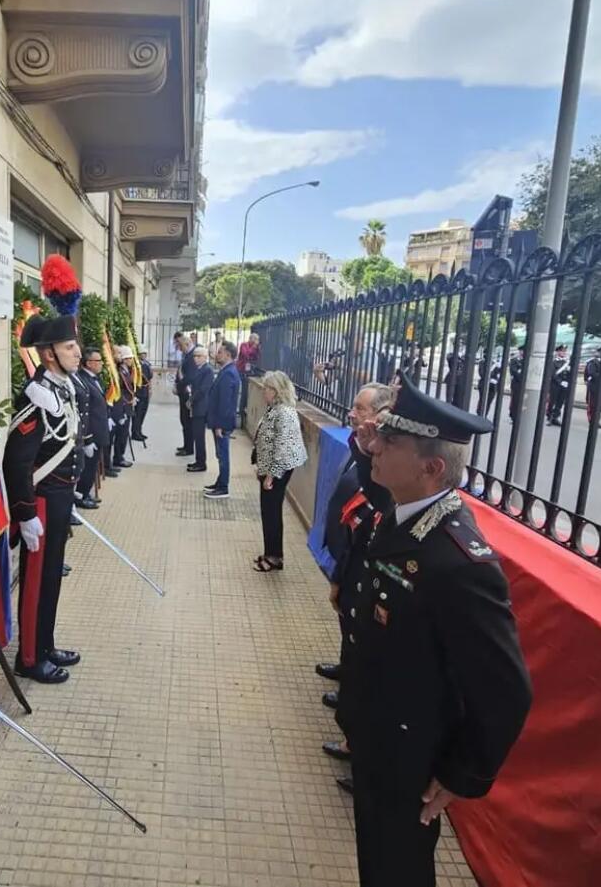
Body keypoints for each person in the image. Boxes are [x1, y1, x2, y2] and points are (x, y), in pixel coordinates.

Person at [345, 375, 532, 887]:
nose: (376, 446)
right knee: (377, 860)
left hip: (410, 756)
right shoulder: (402, 514)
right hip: (376, 735)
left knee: (398, 869)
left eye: (392, 442)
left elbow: (507, 689)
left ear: (431, 467)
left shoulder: (457, 560)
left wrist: (459, 774)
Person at [316, 383, 395, 789]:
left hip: (366, 589)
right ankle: (351, 726)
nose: (351, 414)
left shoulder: (401, 504)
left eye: (360, 410)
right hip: (354, 581)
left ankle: (359, 750)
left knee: (367, 672)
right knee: (353, 650)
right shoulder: (363, 450)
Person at [2, 314, 83, 685]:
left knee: (51, 578)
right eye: (70, 347)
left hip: (60, 497)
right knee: (36, 582)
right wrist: (25, 513)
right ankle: (30, 657)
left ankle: (45, 644)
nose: (78, 352)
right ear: (49, 354)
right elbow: (16, 460)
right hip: (43, 504)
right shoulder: (36, 396)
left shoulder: (62, 387)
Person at [251, 371, 309, 571]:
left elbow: (282, 448)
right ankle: (271, 552)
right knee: (269, 511)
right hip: (271, 467)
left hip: (279, 469)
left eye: (266, 388)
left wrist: (271, 474)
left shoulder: (284, 412)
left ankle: (274, 557)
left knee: (272, 512)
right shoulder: (275, 408)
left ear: (275, 391)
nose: (263, 392)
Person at [205, 340, 241, 499]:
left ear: (227, 354)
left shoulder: (229, 373)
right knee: (220, 455)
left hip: (222, 423)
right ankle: (220, 482)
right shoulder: (226, 370)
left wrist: (219, 424)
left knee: (223, 455)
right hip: (219, 422)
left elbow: (225, 402)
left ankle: (223, 487)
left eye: (220, 352)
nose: (216, 354)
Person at [76, 347, 111, 506]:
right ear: (89, 363)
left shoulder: (95, 379)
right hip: (91, 433)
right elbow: (85, 411)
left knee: (92, 466)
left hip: (99, 430)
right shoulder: (82, 380)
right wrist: (87, 438)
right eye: (98, 361)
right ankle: (81, 496)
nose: (101, 364)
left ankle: (86, 494)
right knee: (87, 468)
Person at [187, 345, 214, 473]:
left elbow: (203, 389)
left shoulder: (207, 370)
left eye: (199, 356)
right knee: (197, 435)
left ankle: (201, 463)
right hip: (197, 406)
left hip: (201, 407)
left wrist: (192, 400)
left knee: (199, 436)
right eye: (194, 356)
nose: (196, 358)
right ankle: (198, 461)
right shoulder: (199, 369)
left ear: (205, 357)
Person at [110, 346, 137, 468]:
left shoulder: (126, 369)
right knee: (121, 434)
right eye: (129, 358)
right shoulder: (120, 371)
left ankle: (120, 456)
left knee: (124, 434)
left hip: (127, 404)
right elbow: (121, 391)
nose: (131, 360)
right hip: (122, 406)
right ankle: (118, 458)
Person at [174, 331, 200, 458]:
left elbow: (189, 377)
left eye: (180, 345)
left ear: (187, 343)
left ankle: (189, 448)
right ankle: (186, 445)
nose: (179, 348)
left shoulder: (191, 356)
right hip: (182, 392)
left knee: (187, 421)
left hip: (187, 393)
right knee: (183, 420)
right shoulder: (187, 355)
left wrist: (179, 385)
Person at [237, 332, 261, 427]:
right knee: (242, 393)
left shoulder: (256, 348)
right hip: (241, 370)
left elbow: (257, 357)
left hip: (249, 371)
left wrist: (257, 349)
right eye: (255, 340)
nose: (256, 342)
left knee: (246, 394)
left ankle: (243, 414)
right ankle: (240, 413)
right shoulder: (244, 345)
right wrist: (253, 348)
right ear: (251, 339)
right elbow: (245, 354)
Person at [546, 345, 571, 426]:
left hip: (564, 386)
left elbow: (569, 374)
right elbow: (553, 374)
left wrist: (567, 381)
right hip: (555, 385)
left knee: (560, 402)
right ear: (557, 352)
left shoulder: (566, 362)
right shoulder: (553, 362)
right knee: (552, 402)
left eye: (564, 351)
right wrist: (560, 382)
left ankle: (555, 417)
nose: (563, 352)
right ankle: (549, 417)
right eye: (561, 351)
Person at [132, 350, 153, 442]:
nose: (143, 355)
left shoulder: (147, 364)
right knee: (138, 414)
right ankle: (135, 433)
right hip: (139, 391)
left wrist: (150, 389)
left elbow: (150, 378)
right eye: (141, 354)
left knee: (143, 413)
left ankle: (139, 431)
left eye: (145, 353)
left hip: (145, 391)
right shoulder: (138, 365)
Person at [507, 347, 525, 423]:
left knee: (522, 401)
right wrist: (521, 378)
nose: (523, 352)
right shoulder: (514, 360)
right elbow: (513, 371)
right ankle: (513, 416)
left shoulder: (526, 361)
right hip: (517, 383)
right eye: (522, 350)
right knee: (515, 401)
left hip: (524, 384)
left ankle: (519, 416)